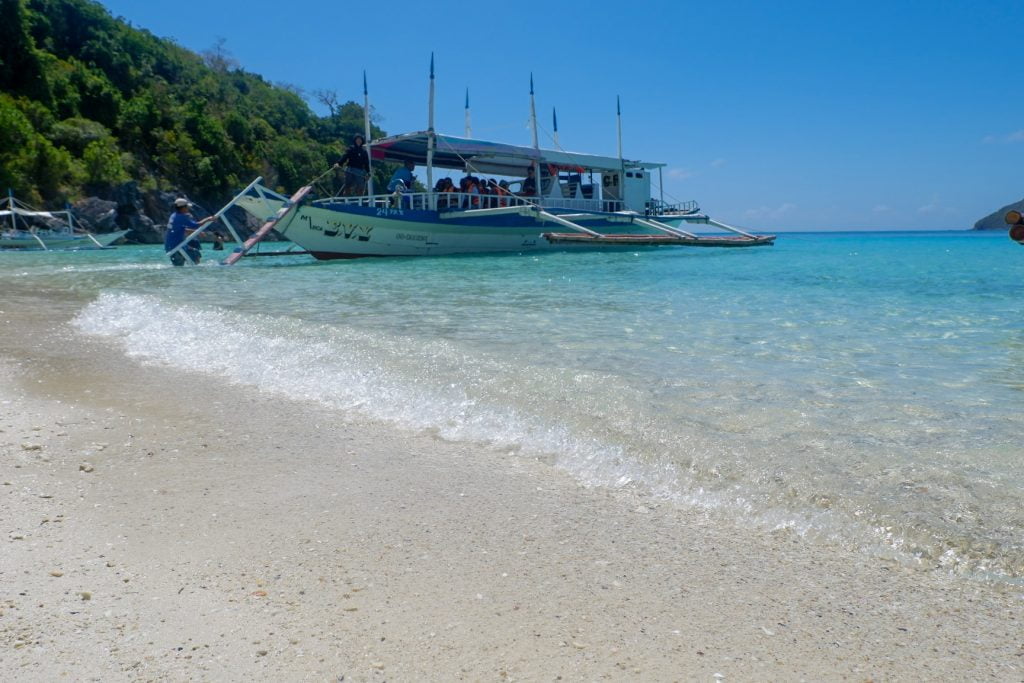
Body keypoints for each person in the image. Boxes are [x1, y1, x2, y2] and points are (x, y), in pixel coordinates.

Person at [165, 197, 214, 266]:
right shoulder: (181, 217)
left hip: (170, 247)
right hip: (177, 246)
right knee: (196, 254)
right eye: (187, 207)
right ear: (183, 208)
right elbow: (196, 225)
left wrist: (197, 232)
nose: (188, 209)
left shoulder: (173, 216)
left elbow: (182, 229)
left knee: (178, 268)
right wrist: (208, 219)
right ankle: (194, 271)